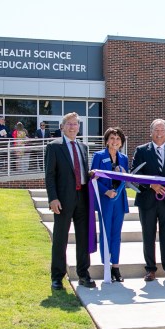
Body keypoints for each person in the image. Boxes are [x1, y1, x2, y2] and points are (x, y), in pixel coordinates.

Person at [45, 112, 96, 290]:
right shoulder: (54, 147)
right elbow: (50, 176)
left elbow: (82, 171)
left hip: (83, 198)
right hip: (63, 199)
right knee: (61, 238)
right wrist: (53, 198)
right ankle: (57, 277)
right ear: (62, 127)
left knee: (83, 238)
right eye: (69, 124)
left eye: (75, 124)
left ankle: (83, 274)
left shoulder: (83, 147)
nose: (73, 127)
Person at [131, 119, 165, 282]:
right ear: (151, 132)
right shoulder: (141, 150)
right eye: (156, 130)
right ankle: (150, 270)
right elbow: (134, 174)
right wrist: (151, 185)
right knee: (148, 235)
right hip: (147, 200)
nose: (159, 133)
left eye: (162, 130)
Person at [91, 127, 130, 282]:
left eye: (118, 139)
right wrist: (105, 191)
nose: (115, 141)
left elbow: (125, 180)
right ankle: (106, 265)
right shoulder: (99, 156)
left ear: (121, 142)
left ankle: (116, 267)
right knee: (106, 233)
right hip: (106, 200)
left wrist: (123, 173)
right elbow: (92, 177)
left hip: (119, 200)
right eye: (112, 138)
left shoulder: (124, 158)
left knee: (116, 234)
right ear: (107, 141)